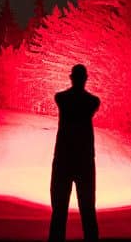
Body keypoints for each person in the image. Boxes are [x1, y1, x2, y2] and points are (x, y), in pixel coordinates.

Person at [48, 64, 101, 242]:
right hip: (85, 161)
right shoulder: (93, 102)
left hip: (63, 159)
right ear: (86, 79)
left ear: (71, 78)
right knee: (87, 209)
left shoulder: (61, 98)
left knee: (59, 210)